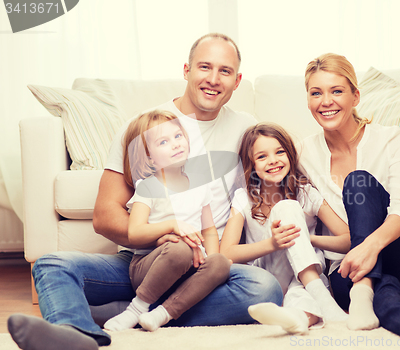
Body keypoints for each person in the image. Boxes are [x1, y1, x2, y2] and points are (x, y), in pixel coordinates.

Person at [8, 33, 283, 350]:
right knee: (51, 265)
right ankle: (77, 334)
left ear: (237, 81)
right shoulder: (144, 128)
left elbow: (268, 182)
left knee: (264, 289)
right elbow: (106, 214)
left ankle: (131, 313)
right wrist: (161, 236)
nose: (213, 79)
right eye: (204, 67)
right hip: (147, 259)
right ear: (186, 70)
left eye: (224, 71)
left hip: (206, 268)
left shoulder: (246, 127)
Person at [296, 52, 400, 341]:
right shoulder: (303, 154)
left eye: (337, 91)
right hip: (347, 271)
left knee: (358, 183)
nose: (326, 101)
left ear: (355, 96)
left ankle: (364, 288)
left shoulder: (391, 138)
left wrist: (370, 246)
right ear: (308, 101)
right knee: (379, 291)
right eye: (316, 93)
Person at [103, 110, 231, 332]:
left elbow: (209, 229)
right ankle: (136, 309)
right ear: (148, 156)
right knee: (179, 248)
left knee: (220, 263)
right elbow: (135, 233)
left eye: (178, 136)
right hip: (150, 268)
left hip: (190, 265)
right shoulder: (148, 186)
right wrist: (172, 225)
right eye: (163, 141)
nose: (175, 144)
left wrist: (210, 257)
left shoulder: (200, 184)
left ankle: (162, 314)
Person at [220, 123, 351, 335]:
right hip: (268, 277)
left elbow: (347, 239)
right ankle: (323, 299)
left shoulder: (306, 192)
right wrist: (272, 243)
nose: (273, 160)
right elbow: (226, 252)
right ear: (251, 164)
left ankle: (297, 318)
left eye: (279, 152)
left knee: (303, 300)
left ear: (289, 154)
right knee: (287, 207)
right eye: (262, 156)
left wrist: (307, 239)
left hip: (303, 282)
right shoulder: (243, 198)